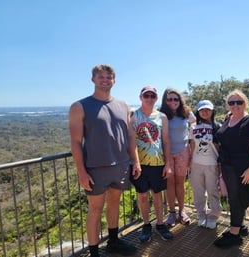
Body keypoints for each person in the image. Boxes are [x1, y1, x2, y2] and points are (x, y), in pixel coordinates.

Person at [69, 64, 141, 257]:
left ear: (114, 81)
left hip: (121, 165)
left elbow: (130, 137)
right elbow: (76, 142)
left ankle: (113, 241)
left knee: (114, 204)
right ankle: (94, 252)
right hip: (94, 167)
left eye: (108, 77)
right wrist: (81, 172)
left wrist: (135, 161)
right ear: (93, 79)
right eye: (100, 77)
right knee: (95, 210)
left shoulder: (124, 106)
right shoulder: (79, 106)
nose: (105, 80)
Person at [213, 89, 249, 249]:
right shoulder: (229, 120)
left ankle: (234, 235)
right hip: (228, 168)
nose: (235, 105)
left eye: (239, 102)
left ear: (245, 103)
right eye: (231, 102)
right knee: (234, 198)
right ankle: (239, 227)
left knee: (237, 199)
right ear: (227, 105)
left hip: (242, 168)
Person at [130, 85, 173, 242]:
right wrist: (135, 162)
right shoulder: (133, 116)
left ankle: (160, 224)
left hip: (158, 162)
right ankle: (146, 225)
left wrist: (168, 164)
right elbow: (132, 142)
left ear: (156, 98)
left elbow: (166, 141)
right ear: (140, 97)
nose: (149, 98)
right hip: (139, 163)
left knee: (157, 194)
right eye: (146, 95)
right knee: (142, 195)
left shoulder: (162, 117)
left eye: (152, 96)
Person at [159, 88, 196, 226]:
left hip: (183, 152)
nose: (173, 102)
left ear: (180, 100)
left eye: (176, 99)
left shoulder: (186, 113)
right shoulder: (161, 115)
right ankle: (172, 212)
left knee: (180, 183)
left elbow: (195, 124)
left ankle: (182, 211)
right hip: (166, 154)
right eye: (170, 99)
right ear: (165, 101)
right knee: (170, 183)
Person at [188, 100, 222, 229]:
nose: (205, 112)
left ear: (212, 111)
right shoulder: (193, 127)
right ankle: (201, 214)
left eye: (208, 109)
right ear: (198, 112)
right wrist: (190, 162)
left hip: (212, 164)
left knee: (213, 191)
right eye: (202, 110)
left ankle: (213, 215)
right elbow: (192, 146)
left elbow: (219, 147)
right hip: (196, 164)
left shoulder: (217, 127)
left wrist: (220, 166)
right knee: (198, 191)